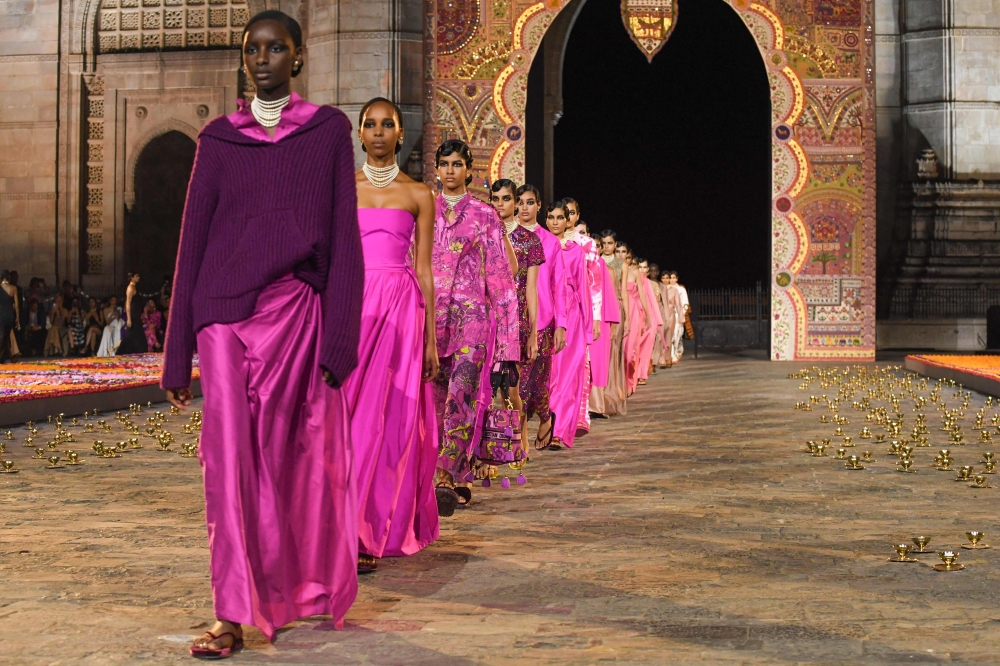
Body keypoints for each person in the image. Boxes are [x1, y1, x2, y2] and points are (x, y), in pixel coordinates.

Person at [161, 10, 364, 659]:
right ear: (244, 60)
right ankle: (229, 616)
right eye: (253, 49)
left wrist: (339, 341)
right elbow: (192, 240)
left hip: (295, 315)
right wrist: (175, 354)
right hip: (221, 313)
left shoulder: (327, 132)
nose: (263, 58)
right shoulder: (218, 139)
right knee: (224, 465)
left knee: (290, 464)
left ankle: (287, 590)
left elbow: (343, 239)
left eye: (277, 48)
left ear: (299, 59)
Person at [343, 96, 439, 574]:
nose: (378, 132)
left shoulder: (420, 194)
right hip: (354, 309)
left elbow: (424, 270)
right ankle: (342, 524)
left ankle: (370, 529)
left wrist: (431, 340)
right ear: (360, 134)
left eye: (388, 124)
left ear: (401, 133)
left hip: (401, 313)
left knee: (391, 422)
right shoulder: (342, 188)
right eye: (369, 124)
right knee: (348, 421)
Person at [429, 139, 517, 516]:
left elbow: (500, 276)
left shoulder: (484, 214)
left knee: (461, 397)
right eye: (444, 164)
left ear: (469, 170)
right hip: (429, 320)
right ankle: (436, 471)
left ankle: (445, 476)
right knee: (432, 400)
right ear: (436, 169)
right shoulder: (422, 210)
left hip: (473, 323)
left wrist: (509, 347)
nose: (450, 170)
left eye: (457, 164)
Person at [490, 179, 544, 457]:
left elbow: (531, 289)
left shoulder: (529, 240)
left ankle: (519, 444)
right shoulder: (484, 234)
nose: (500, 204)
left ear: (515, 202)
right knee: (486, 391)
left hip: (516, 324)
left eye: (506, 199)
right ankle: (488, 450)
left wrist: (534, 332)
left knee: (512, 392)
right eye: (495, 198)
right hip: (487, 321)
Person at [514, 184, 567, 451]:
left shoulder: (550, 242)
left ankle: (546, 416)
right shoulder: (509, 238)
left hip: (544, 320)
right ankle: (520, 444)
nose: (524, 207)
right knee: (519, 384)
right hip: (514, 321)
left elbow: (559, 286)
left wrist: (562, 325)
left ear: (538, 206)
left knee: (538, 384)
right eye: (520, 202)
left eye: (529, 202)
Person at [544, 200, 592, 449]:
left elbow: (583, 289)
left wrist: (588, 328)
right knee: (549, 374)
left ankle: (558, 429)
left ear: (567, 221)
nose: (554, 222)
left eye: (559, 217)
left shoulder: (575, 251)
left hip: (571, 315)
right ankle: (548, 424)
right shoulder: (539, 247)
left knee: (566, 374)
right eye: (550, 217)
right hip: (545, 312)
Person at [599, 232, 627, 415]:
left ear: (615, 244)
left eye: (610, 243)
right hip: (598, 307)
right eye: (604, 243)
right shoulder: (595, 260)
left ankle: (611, 394)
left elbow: (623, 291)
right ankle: (599, 397)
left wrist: (629, 319)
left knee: (614, 351)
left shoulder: (620, 264)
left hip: (615, 306)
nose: (607, 246)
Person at [621, 248, 651, 395]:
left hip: (633, 313)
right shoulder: (612, 270)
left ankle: (629, 381)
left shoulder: (635, 273)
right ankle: (619, 386)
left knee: (629, 352)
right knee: (617, 352)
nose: (622, 257)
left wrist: (648, 316)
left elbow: (642, 296)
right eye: (619, 253)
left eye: (626, 256)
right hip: (617, 310)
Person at [116, 272, 148, 355]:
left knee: (136, 335)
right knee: (130, 336)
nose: (138, 278)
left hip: (136, 315)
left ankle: (138, 352)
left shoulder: (134, 287)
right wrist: (129, 319)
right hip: (132, 315)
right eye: (137, 276)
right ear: (132, 277)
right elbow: (128, 304)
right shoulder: (130, 288)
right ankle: (122, 352)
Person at [660, 271, 684, 366]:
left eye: (667, 278)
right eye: (663, 278)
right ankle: (662, 359)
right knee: (660, 337)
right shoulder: (658, 288)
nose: (665, 280)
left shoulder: (674, 290)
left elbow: (678, 305)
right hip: (660, 315)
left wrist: (681, 318)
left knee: (669, 337)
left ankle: (668, 358)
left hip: (670, 315)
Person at [0, 270, 17, 363]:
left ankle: (5, 356)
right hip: (10, 314)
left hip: (1, 314)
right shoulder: (13, 288)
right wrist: (17, 317)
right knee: (6, 336)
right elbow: (17, 305)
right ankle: (10, 356)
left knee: (3, 335)